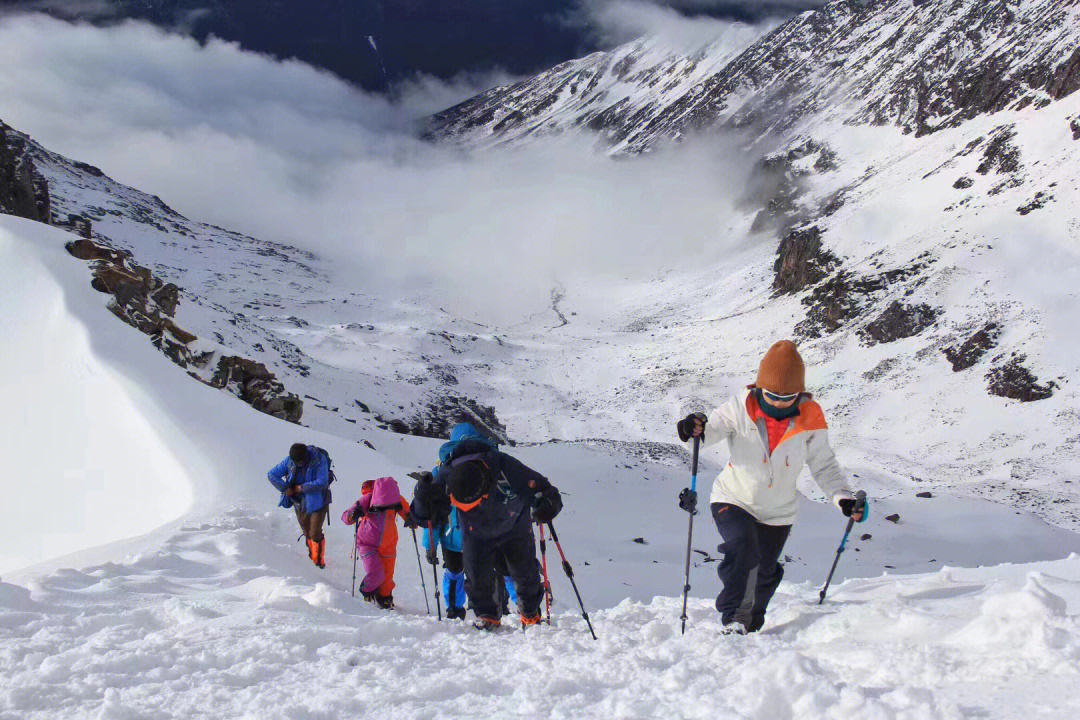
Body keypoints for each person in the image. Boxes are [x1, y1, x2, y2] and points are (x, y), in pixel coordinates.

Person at [676, 340, 866, 634]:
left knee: (763, 571)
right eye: (772, 394)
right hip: (733, 497)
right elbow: (707, 433)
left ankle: (750, 623)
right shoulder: (740, 407)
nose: (779, 401)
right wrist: (692, 429)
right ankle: (734, 618)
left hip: (779, 511)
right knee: (743, 548)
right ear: (760, 386)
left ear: (799, 392)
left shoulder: (811, 417)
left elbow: (823, 464)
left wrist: (842, 497)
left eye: (788, 396)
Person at [411, 423, 562, 631]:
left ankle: (530, 614)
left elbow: (541, 487)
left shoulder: (503, 465)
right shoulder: (447, 472)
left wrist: (547, 503)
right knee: (476, 573)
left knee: (523, 570)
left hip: (513, 524)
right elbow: (425, 514)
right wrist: (421, 496)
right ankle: (487, 614)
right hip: (477, 531)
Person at [342, 477, 412, 609]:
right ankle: (378, 596)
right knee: (384, 576)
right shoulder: (395, 497)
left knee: (379, 575)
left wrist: (353, 515)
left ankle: (374, 594)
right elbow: (408, 514)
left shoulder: (367, 498)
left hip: (369, 541)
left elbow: (346, 518)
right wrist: (412, 520)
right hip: (383, 542)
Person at [267, 443, 333, 568]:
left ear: (306, 456)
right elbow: (272, 474)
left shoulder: (319, 460)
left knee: (315, 533)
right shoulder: (290, 460)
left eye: (300, 462)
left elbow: (322, 482)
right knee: (307, 532)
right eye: (296, 462)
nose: (298, 464)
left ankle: (318, 561)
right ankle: (312, 555)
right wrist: (286, 489)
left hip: (318, 501)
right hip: (299, 503)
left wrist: (299, 488)